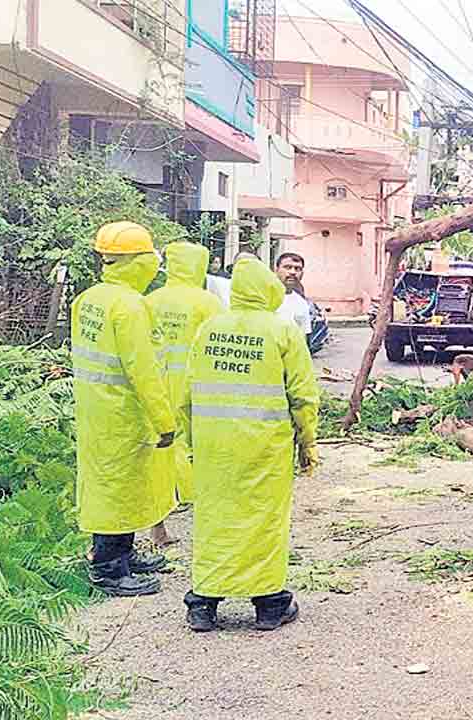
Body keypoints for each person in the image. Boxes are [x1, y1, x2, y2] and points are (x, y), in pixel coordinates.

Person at [183, 256, 320, 632]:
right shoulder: (282, 330)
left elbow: (187, 392)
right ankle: (268, 605)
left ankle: (203, 604)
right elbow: (303, 397)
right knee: (264, 520)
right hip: (264, 447)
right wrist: (308, 444)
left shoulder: (208, 328)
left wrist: (192, 439)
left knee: (214, 520)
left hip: (214, 447)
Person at [72, 221, 177, 597]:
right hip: (123, 413)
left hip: (95, 409)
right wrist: (164, 421)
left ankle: (123, 555)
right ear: (136, 261)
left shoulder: (89, 299)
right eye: (150, 256)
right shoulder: (131, 306)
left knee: (112, 484)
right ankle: (109, 569)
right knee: (118, 487)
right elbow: (144, 371)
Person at [143, 241, 223, 542]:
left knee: (161, 447)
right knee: (196, 447)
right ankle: (196, 505)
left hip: (156, 383)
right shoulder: (209, 303)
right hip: (196, 386)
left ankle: (158, 520)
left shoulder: (150, 301)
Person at [274, 252, 313, 337]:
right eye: (287, 267)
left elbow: (304, 336)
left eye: (297, 268)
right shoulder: (263, 297)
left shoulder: (301, 303)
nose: (293, 272)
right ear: (276, 270)